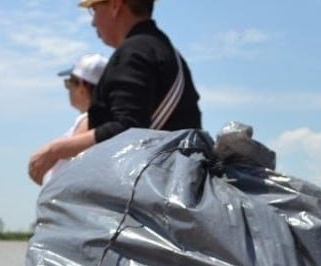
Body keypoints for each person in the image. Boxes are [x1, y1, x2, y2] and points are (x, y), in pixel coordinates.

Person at [27, 0, 202, 184]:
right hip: (175, 180)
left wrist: (54, 150)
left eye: (94, 9)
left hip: (150, 193)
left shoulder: (134, 52)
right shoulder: (163, 49)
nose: (93, 21)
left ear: (115, 6)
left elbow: (127, 128)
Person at [43, 53, 108, 185]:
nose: (68, 89)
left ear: (82, 86)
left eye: (69, 83)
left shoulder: (88, 121)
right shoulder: (98, 121)